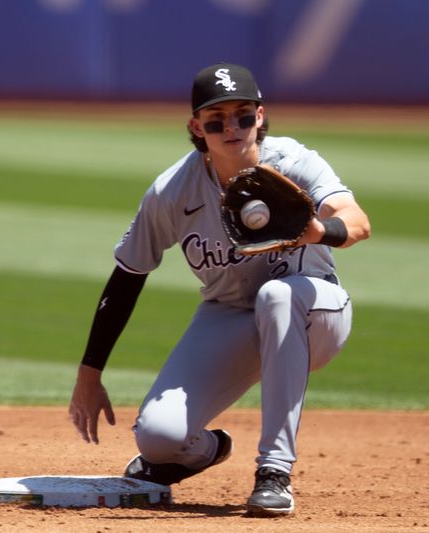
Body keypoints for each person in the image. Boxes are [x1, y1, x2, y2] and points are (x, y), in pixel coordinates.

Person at [68, 63, 370, 517]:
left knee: (278, 296)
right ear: (196, 127)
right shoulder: (172, 191)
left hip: (315, 311)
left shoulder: (292, 162)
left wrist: (316, 230)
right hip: (229, 314)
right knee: (158, 439)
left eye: (243, 115)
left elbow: (357, 223)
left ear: (260, 117)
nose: (232, 127)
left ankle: (274, 472)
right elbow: (128, 275)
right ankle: (204, 450)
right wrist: (89, 374)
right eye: (216, 119)